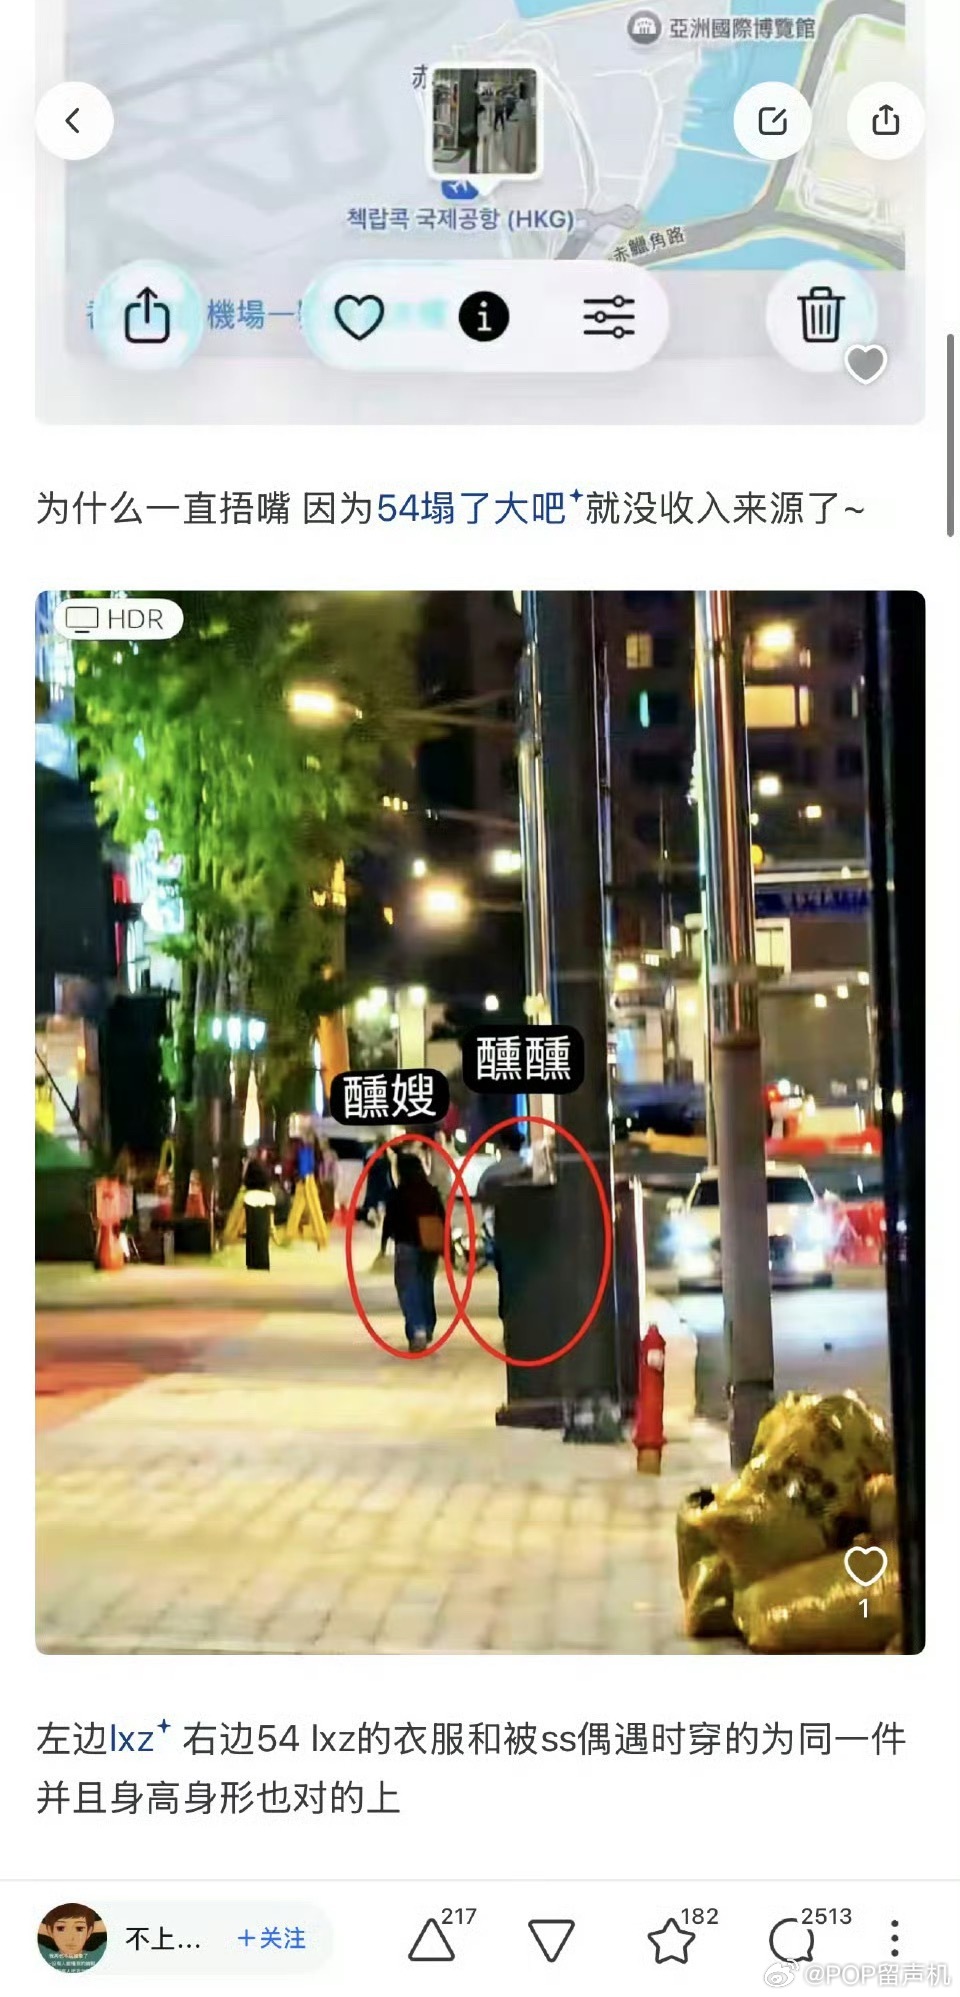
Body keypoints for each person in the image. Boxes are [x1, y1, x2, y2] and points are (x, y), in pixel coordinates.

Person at [380, 1152, 445, 1350]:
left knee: (408, 1288)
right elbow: (442, 1217)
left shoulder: (398, 1194)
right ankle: (427, 1325)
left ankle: (417, 1329)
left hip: (406, 1245)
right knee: (425, 1286)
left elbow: (389, 1221)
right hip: (429, 1246)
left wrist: (383, 1245)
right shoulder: (430, 1191)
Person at [38, 1904, 107, 1972]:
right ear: (49, 1931)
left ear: (89, 1932)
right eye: (61, 1928)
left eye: (79, 1928)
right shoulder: (43, 1955)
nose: (70, 1938)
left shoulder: (97, 1955)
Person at [242, 1146, 274, 1271]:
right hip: (265, 1199)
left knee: (252, 1232)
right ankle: (263, 1261)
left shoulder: (250, 1165)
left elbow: (245, 1180)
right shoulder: (265, 1167)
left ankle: (252, 1261)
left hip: (251, 1199)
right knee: (263, 1233)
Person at [316, 1137, 339, 1222]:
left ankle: (329, 1216)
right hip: (323, 1180)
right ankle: (324, 1216)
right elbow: (320, 1167)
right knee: (323, 1199)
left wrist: (335, 1180)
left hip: (329, 1180)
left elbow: (335, 1168)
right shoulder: (321, 1154)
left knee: (329, 1199)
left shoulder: (332, 1154)